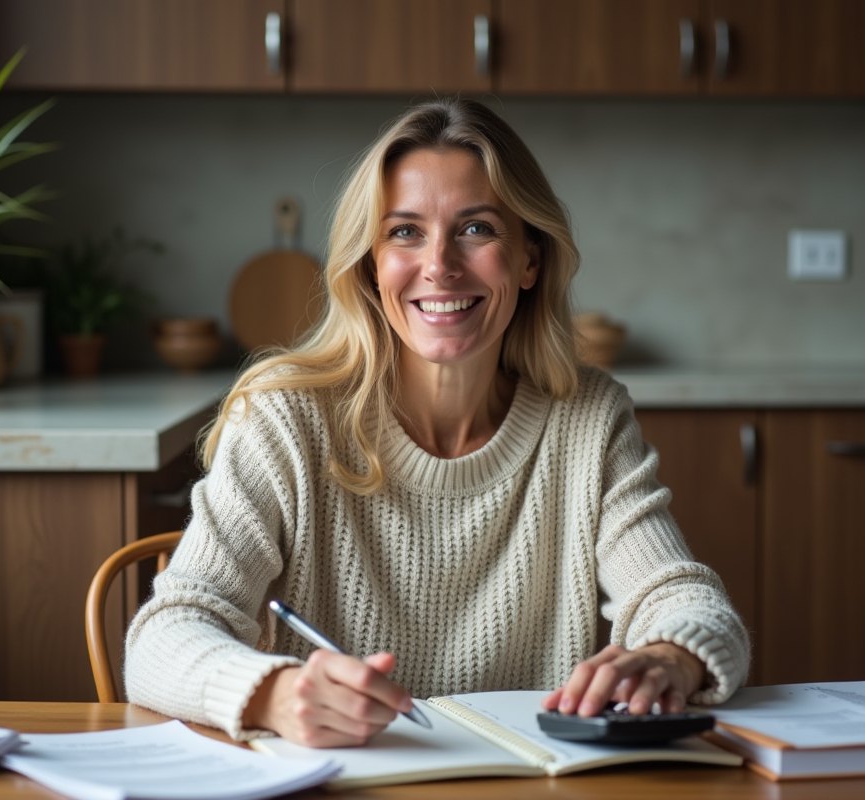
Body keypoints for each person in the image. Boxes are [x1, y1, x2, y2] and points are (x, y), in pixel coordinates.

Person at [125, 97, 749, 748]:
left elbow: (687, 600)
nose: (440, 265)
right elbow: (164, 635)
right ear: (369, 261)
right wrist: (274, 694)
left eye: (476, 229)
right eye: (405, 231)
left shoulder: (588, 418)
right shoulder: (286, 417)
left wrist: (671, 656)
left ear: (530, 258)